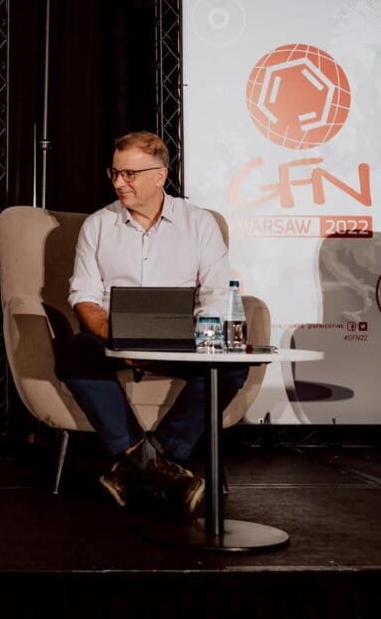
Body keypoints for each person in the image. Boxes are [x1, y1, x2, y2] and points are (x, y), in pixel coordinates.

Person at [55, 130, 249, 517]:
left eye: (129, 174)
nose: (118, 182)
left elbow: (214, 293)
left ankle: (140, 466)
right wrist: (122, 340)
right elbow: (85, 298)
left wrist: (187, 339)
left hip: (182, 340)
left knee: (233, 365)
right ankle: (164, 469)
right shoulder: (97, 225)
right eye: (114, 172)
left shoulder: (199, 224)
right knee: (75, 352)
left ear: (160, 175)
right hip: (113, 339)